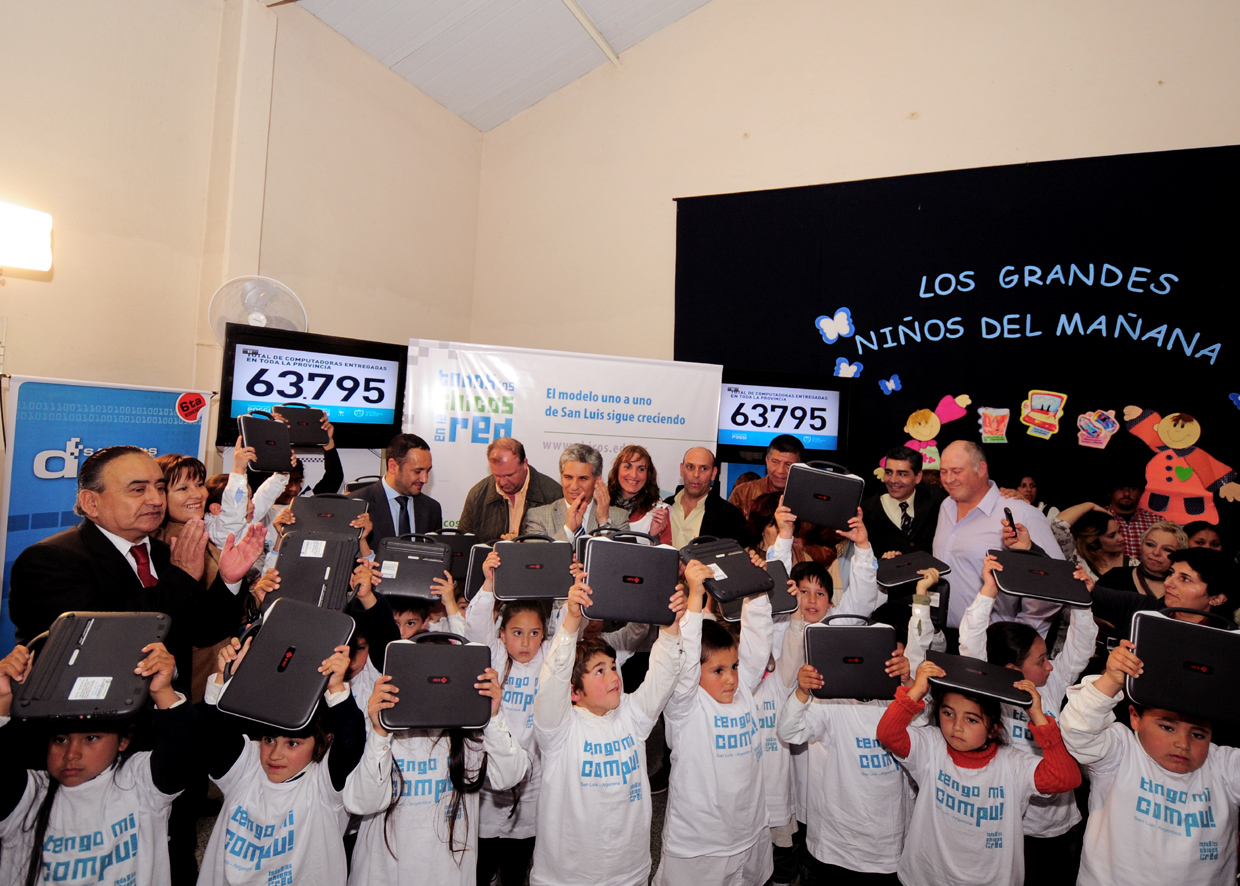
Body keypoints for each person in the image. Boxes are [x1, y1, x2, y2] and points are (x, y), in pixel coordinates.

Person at [8, 445, 265, 688]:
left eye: (160, 488)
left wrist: (229, 580)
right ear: (90, 502)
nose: (156, 500)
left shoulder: (164, 554)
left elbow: (203, 632)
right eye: (138, 490)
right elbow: (99, 642)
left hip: (171, 712)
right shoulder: (49, 560)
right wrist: (181, 576)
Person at [528, 573, 686, 886]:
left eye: (612, 667)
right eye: (599, 671)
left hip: (629, 871)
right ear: (574, 692)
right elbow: (553, 679)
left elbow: (664, 675)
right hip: (568, 876)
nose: (613, 675)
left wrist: (670, 627)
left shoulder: (632, 715)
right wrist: (572, 621)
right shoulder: (558, 729)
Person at [0, 642, 194, 886]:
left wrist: (163, 690)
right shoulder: (29, 793)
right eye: (60, 739)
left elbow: (183, 749)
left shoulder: (139, 783)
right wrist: (2, 700)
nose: (71, 754)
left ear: (124, 739)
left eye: (91, 738)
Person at [875, 659, 1081, 886]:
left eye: (971, 719)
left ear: (994, 729)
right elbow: (888, 734)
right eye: (948, 713)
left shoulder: (1013, 764)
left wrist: (1037, 715)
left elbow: (1066, 778)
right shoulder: (932, 746)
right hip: (927, 875)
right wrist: (917, 690)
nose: (957, 727)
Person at [958, 555, 1099, 883]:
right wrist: (988, 591)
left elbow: (1079, 649)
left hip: (1060, 826)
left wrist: (1081, 602)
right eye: (1040, 660)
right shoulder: (990, 698)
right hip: (1012, 828)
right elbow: (971, 646)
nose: (1049, 666)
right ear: (1011, 671)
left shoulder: (1049, 685)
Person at [1060, 640, 1240, 885]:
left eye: (1198, 734)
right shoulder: (1120, 752)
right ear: (1135, 718)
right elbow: (1078, 728)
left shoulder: (1225, 767)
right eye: (1167, 727)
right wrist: (1111, 681)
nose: (1183, 744)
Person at [342, 654, 528, 886]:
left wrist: (492, 716)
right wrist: (380, 732)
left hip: (448, 874)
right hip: (384, 874)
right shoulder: (385, 732)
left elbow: (510, 775)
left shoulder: (470, 736)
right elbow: (361, 802)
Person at [198, 637, 367, 886]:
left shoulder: (323, 784)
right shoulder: (246, 767)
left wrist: (336, 686)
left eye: (293, 743)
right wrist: (224, 677)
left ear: (322, 742)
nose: (275, 754)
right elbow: (211, 734)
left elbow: (351, 741)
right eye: (269, 739)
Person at [653, 559, 775, 885]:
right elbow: (687, 656)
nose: (731, 679)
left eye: (733, 667)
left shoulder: (743, 691)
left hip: (748, 833)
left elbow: (758, 639)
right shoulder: (685, 705)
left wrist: (755, 586)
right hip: (698, 846)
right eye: (718, 671)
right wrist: (694, 597)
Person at [776, 640, 914, 885]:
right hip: (833, 848)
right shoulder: (831, 703)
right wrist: (803, 691)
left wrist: (908, 683)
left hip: (886, 850)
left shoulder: (901, 703)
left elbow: (926, 722)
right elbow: (789, 731)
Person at [463, 551, 554, 886]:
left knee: (517, 868)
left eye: (534, 633)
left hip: (531, 784)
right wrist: (488, 582)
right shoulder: (495, 654)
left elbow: (571, 635)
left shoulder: (547, 658)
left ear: (543, 635)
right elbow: (476, 623)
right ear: (502, 634)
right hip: (491, 781)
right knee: (483, 863)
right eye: (517, 633)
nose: (525, 642)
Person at [932, 440, 1063, 637]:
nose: (949, 479)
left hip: (993, 642)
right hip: (942, 637)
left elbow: (1056, 582)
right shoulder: (946, 506)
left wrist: (1021, 635)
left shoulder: (1020, 513)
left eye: (957, 471)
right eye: (943, 472)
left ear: (981, 469)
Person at [1090, 547, 1235, 642]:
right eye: (1171, 573)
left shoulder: (1228, 642)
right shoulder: (1142, 609)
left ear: (1216, 598)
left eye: (1185, 579)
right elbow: (1091, 593)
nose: (1168, 583)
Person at [457, 438, 563, 542]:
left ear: (525, 464)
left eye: (510, 475)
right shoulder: (478, 495)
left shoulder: (553, 495)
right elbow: (462, 545)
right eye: (497, 475)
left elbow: (559, 547)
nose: (503, 482)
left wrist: (520, 548)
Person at [349, 433, 443, 550]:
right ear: (393, 466)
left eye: (428, 471)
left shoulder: (432, 509)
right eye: (418, 471)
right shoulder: (357, 504)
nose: (425, 479)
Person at [522, 443, 628, 541]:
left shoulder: (618, 517)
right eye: (568, 477)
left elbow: (622, 558)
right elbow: (538, 558)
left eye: (583, 479)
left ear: (597, 479)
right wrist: (568, 530)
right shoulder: (539, 516)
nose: (574, 486)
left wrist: (604, 522)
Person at [861, 446, 945, 558]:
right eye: (889, 472)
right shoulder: (866, 511)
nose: (893, 480)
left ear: (918, 477)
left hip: (931, 574)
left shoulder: (935, 498)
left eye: (902, 474)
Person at [664, 446, 748, 548]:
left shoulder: (730, 516)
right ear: (682, 470)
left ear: (713, 473)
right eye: (690, 467)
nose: (696, 474)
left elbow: (735, 559)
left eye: (704, 468)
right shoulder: (666, 506)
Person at [1094, 520, 1187, 599]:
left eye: (1167, 549)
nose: (1156, 552)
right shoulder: (1113, 578)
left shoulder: (1184, 589)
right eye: (1150, 544)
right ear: (1141, 545)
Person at [606, 444, 671, 543]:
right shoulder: (601, 506)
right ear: (617, 470)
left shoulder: (659, 512)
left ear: (648, 475)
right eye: (628, 467)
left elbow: (666, 557)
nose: (633, 475)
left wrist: (653, 536)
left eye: (641, 469)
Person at [728, 435, 804, 519]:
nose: (780, 471)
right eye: (775, 462)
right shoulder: (742, 494)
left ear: (799, 466)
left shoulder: (810, 500)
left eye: (788, 464)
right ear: (767, 461)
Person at [1069, 509, 1133, 582]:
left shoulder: (1133, 564)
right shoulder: (1076, 561)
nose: (1121, 538)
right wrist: (1091, 505)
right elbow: (1058, 525)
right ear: (1093, 542)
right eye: (1112, 536)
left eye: (1119, 531)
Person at [1105, 477, 1160, 560]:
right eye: (1120, 489)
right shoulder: (1097, 517)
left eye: (1132, 489)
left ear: (1139, 493)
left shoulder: (1156, 521)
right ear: (1110, 493)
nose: (1126, 493)